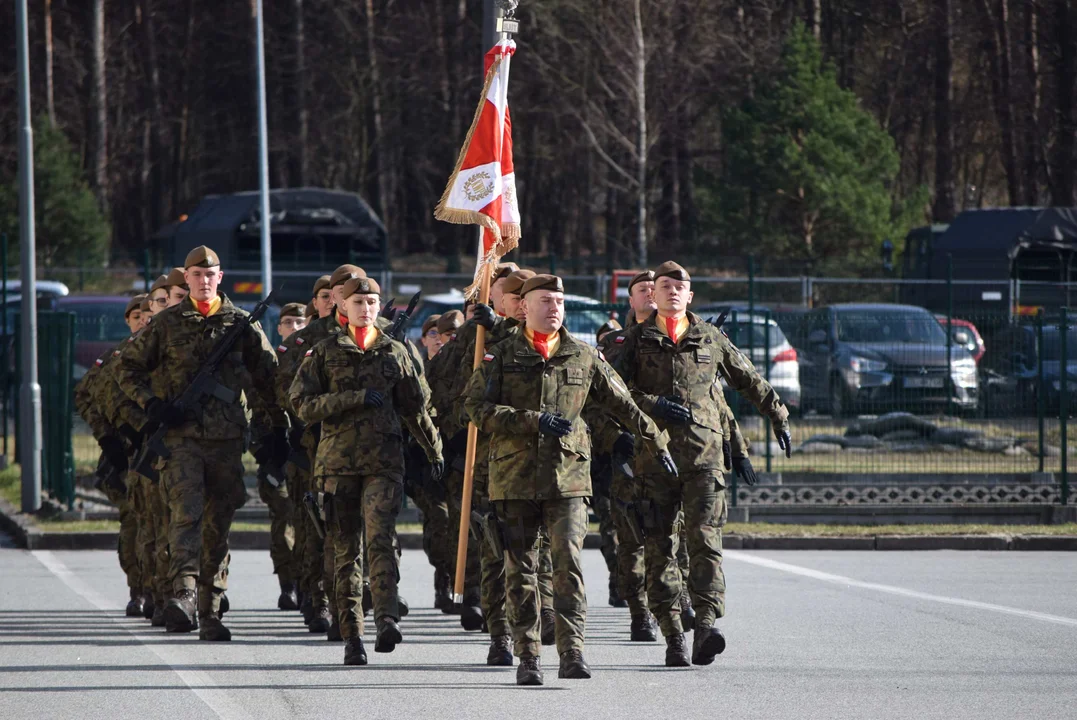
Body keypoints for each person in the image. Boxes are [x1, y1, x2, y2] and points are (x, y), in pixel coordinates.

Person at [464, 273, 677, 686]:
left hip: (569, 481)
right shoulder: (501, 355)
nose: (554, 308)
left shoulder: (583, 356)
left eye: (559, 301)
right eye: (545, 300)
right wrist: (530, 421)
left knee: (568, 567)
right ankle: (528, 657)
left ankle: (572, 651)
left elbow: (625, 405)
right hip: (514, 479)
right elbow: (475, 408)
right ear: (524, 307)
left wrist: (658, 444)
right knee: (521, 572)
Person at [614, 261, 792, 667]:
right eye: (664, 285)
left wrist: (778, 414)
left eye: (680, 286)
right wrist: (653, 405)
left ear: (690, 296)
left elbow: (748, 379)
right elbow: (615, 394)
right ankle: (674, 635)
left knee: (705, 545)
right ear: (652, 295)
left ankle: (706, 626)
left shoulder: (710, 338)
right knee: (660, 550)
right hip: (654, 460)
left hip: (705, 458)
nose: (672, 291)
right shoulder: (637, 340)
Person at [117, 245, 286, 641]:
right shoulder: (168, 324)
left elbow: (269, 379)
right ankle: (184, 595)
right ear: (187, 278)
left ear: (220, 277)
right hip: (181, 441)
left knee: (218, 526)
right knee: (186, 516)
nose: (204, 281)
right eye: (196, 275)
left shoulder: (241, 324)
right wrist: (153, 406)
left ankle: (211, 611)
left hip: (227, 440)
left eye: (210, 275)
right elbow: (127, 368)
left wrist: (276, 429)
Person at [290, 275, 443, 666]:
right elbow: (302, 405)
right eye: (358, 302)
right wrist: (352, 398)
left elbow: (415, 408)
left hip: (384, 463)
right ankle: (352, 634)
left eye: (372, 303)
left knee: (380, 539)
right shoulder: (324, 352)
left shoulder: (395, 351)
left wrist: (433, 449)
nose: (366, 309)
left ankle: (386, 617)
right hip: (337, 466)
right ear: (343, 307)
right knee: (345, 551)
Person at [74, 294, 148, 616]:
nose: (143, 321)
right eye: (136, 316)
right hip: (125, 455)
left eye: (148, 315)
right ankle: (138, 589)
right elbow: (85, 395)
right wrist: (106, 437)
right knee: (133, 521)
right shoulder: (115, 356)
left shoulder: (166, 353)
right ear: (128, 321)